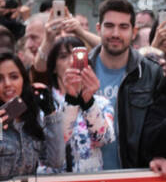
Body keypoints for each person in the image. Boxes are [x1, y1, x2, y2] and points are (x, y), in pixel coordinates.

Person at [0, 51, 64, 181]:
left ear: (24, 79)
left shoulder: (34, 115)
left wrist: (51, 113)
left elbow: (56, 161)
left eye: (14, 77)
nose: (8, 84)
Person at [87, 0, 163, 168]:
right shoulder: (81, 70)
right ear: (98, 29)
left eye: (123, 27)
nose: (115, 34)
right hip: (86, 178)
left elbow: (159, 127)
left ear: (134, 32)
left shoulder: (151, 73)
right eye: (109, 26)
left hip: (132, 177)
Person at [44, 35, 114, 174]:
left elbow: (105, 139)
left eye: (77, 56)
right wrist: (71, 100)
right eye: (63, 56)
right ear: (53, 67)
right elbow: (58, 142)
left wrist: (88, 103)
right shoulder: (44, 103)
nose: (71, 62)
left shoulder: (100, 102)